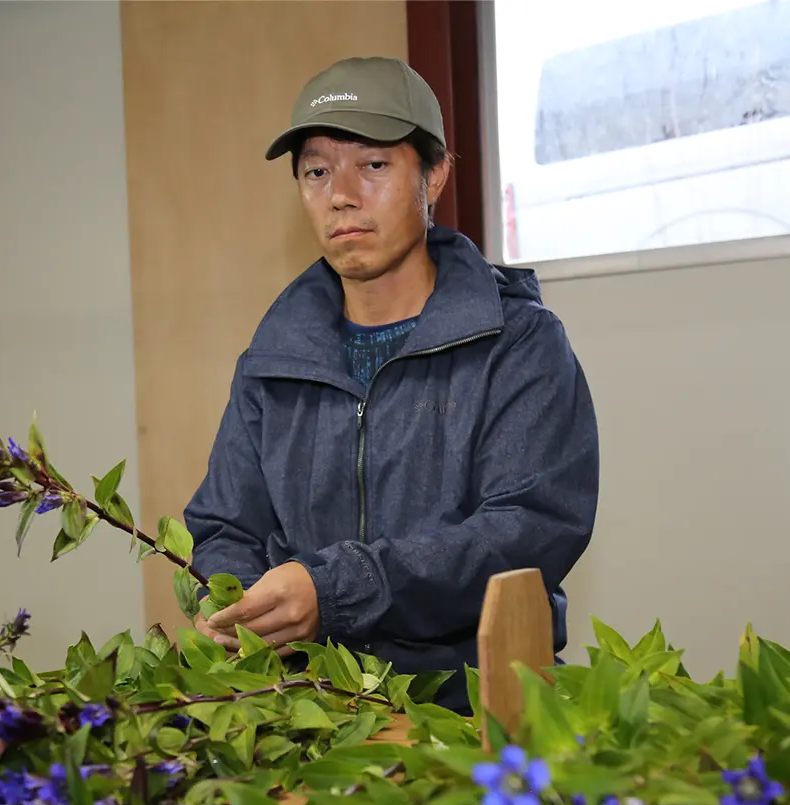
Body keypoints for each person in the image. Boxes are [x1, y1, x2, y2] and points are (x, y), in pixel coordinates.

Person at [183, 56, 599, 713]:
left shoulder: (517, 342)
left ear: (433, 174)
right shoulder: (272, 359)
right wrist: (247, 602)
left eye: (373, 165)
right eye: (317, 171)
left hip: (474, 710)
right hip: (302, 708)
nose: (341, 194)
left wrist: (337, 587)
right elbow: (223, 524)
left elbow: (528, 528)